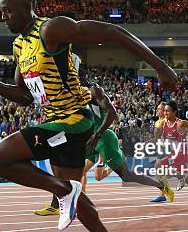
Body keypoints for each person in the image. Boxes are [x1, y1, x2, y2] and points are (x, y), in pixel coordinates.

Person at [0, 0, 178, 232]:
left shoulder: (50, 29)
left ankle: (63, 191)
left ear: (28, 7)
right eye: (0, 12)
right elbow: (25, 96)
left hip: (74, 120)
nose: (3, 17)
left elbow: (112, 31)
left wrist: (160, 66)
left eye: (8, 11)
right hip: (55, 121)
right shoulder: (20, 46)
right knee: (77, 200)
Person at [34, 83, 172, 215]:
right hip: (83, 138)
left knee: (127, 176)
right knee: (62, 162)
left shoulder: (93, 90)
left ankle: (161, 185)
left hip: (102, 138)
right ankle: (56, 206)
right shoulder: (68, 95)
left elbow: (112, 113)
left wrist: (97, 135)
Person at [152, 101, 188, 207]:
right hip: (173, 153)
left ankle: (180, 177)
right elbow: (163, 136)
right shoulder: (164, 123)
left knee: (158, 166)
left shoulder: (180, 123)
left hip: (182, 153)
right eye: (164, 111)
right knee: (181, 177)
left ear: (174, 112)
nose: (165, 113)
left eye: (167, 111)